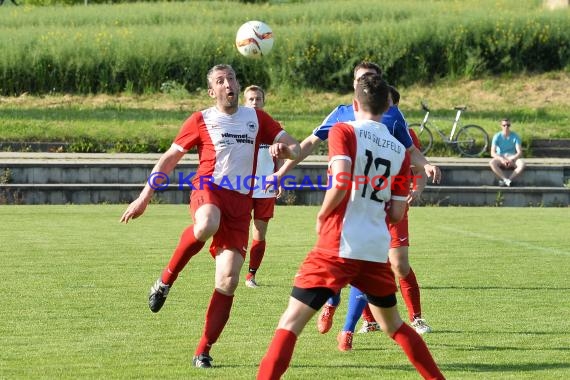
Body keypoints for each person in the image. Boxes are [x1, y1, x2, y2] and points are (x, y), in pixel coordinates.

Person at [257, 73, 445, 380]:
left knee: (290, 322)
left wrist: (323, 213)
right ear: (388, 105)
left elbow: (341, 181)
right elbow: (398, 212)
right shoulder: (398, 151)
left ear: (354, 103)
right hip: (374, 248)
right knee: (395, 325)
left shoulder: (343, 130)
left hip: (338, 243)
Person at [120, 64, 300, 369]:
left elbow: (295, 147)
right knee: (206, 223)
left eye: (231, 79)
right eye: (220, 81)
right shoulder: (201, 119)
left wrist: (285, 148)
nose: (227, 85)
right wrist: (144, 196)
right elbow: (170, 158)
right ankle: (165, 281)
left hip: (241, 202)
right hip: (209, 187)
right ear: (211, 91)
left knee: (228, 280)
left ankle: (203, 350)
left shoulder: (256, 118)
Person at [337, 121, 430, 352]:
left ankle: (416, 317)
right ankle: (369, 320)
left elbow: (418, 166)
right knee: (361, 262)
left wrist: (417, 188)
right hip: (366, 206)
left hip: (395, 205)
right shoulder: (357, 129)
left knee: (399, 264)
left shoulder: (404, 133)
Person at [242, 85, 280, 288]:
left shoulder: (273, 126)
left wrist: (278, 177)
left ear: (264, 101)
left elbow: (281, 155)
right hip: (241, 187)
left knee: (259, 233)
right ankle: (229, 267)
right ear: (244, 102)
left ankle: (251, 275)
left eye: (258, 99)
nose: (255, 102)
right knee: (238, 231)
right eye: (250, 99)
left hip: (265, 188)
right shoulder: (237, 126)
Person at [489, 118, 525, 187]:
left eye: (508, 125)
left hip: (512, 156)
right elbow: (492, 153)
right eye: (504, 125)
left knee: (522, 164)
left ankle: (509, 180)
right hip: (501, 157)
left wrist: (512, 159)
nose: (506, 127)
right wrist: (502, 159)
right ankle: (505, 179)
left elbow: (519, 152)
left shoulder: (515, 136)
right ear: (501, 126)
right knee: (492, 162)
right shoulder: (497, 136)